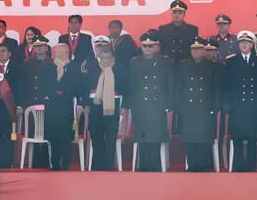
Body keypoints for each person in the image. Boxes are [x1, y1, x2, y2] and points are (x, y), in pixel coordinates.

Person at [223, 31, 257, 172]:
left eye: (247, 42)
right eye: (242, 42)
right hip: (236, 107)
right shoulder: (231, 61)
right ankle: (238, 165)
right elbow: (226, 85)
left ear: (252, 44)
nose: (244, 44)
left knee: (252, 137)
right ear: (239, 44)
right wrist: (227, 105)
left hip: (254, 107)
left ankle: (250, 165)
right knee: (237, 137)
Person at [129, 31, 174, 171]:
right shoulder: (134, 62)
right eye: (145, 46)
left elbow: (169, 84)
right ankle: (143, 165)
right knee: (142, 136)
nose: (148, 49)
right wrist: (132, 104)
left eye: (150, 46)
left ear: (155, 47)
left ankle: (154, 165)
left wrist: (168, 104)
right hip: (141, 104)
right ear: (141, 47)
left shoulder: (164, 62)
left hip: (158, 104)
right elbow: (132, 84)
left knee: (155, 136)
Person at [84, 37, 129, 170]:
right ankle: (97, 166)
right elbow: (84, 87)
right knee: (96, 136)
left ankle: (109, 166)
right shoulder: (91, 66)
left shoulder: (120, 68)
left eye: (108, 58)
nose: (105, 60)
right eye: (103, 58)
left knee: (110, 138)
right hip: (95, 105)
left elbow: (127, 88)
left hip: (113, 105)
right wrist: (86, 104)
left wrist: (125, 105)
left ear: (112, 58)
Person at [176, 38, 220, 172]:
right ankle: (192, 165)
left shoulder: (212, 66)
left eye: (199, 49)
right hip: (188, 108)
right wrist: (179, 106)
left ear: (204, 50)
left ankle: (203, 165)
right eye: (193, 49)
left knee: (204, 138)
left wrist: (215, 106)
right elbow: (179, 87)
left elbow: (216, 88)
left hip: (205, 108)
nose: (196, 51)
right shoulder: (184, 65)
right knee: (190, 138)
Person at [46, 43, 84, 170]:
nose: (64, 54)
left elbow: (77, 86)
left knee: (66, 137)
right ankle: (55, 163)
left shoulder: (74, 67)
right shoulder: (49, 67)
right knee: (54, 138)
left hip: (67, 107)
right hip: (52, 107)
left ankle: (66, 164)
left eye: (66, 52)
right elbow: (45, 86)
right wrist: (55, 94)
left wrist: (64, 94)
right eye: (60, 52)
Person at [21, 35, 57, 168]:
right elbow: (23, 84)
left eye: (41, 46)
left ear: (46, 48)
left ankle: (47, 161)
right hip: (31, 101)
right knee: (32, 132)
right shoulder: (27, 63)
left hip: (48, 102)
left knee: (47, 132)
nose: (39, 49)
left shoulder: (53, 63)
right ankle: (34, 162)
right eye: (36, 46)